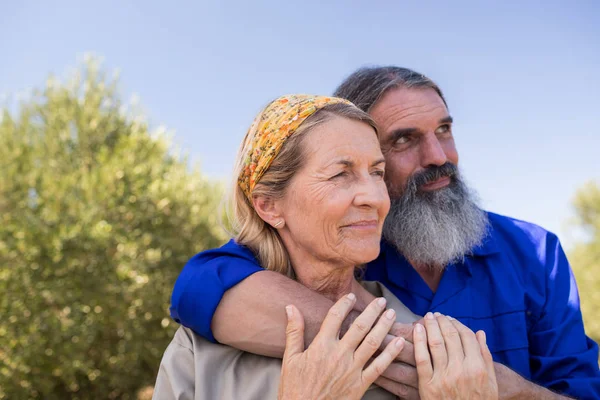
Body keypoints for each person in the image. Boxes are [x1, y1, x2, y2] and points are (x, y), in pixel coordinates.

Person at [170, 68, 600, 399]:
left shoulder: (534, 252)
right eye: (403, 140)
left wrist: (499, 388)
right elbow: (201, 282)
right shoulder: (344, 249)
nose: (437, 156)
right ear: (269, 205)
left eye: (445, 130)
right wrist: (378, 344)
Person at [154, 94, 498, 399]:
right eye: (340, 174)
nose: (374, 198)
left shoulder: (432, 349)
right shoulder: (199, 351)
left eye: (377, 173)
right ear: (269, 206)